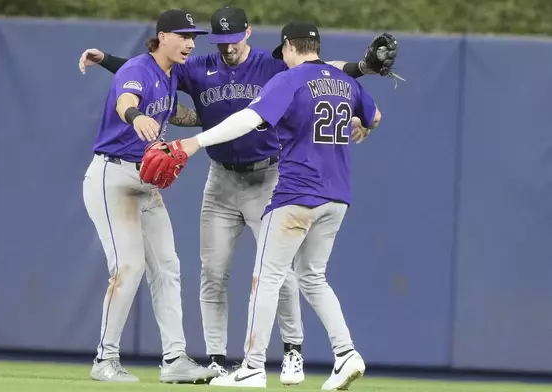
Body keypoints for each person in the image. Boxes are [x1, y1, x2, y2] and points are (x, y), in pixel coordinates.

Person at [78, 6, 396, 385]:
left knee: (268, 276)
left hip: (272, 180)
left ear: (252, 35)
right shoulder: (189, 68)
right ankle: (326, 354)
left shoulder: (275, 67)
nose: (221, 46)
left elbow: (305, 77)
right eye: (211, 39)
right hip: (220, 180)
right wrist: (109, 65)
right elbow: (139, 76)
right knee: (264, 274)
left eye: (230, 38)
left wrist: (192, 142)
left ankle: (268, 359)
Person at [157, 20, 383, 389]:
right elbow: (373, 117)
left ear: (290, 47)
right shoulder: (345, 83)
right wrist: (360, 124)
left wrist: (194, 143)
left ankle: (252, 366)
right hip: (337, 197)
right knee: (312, 277)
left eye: (285, 53)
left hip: (296, 194)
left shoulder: (289, 79)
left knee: (266, 279)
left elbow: (248, 119)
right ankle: (346, 354)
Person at [82, 9, 218, 384]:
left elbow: (184, 116)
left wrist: (222, 115)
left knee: (167, 268)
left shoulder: (169, 76)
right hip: (112, 176)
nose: (190, 43)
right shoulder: (138, 70)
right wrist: (135, 116)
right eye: (183, 35)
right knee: (129, 267)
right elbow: (125, 100)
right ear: (161, 36)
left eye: (193, 37)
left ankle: (175, 359)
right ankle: (104, 360)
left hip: (144, 181)